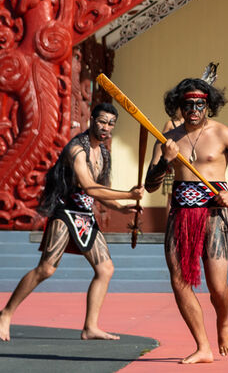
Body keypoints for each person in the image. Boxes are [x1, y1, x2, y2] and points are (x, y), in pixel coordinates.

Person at [144, 68, 228, 364]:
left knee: (217, 288)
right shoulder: (169, 139)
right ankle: (202, 346)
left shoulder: (223, 133)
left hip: (213, 215)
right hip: (180, 214)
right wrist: (164, 163)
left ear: (208, 105)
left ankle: (222, 322)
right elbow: (150, 183)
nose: (194, 110)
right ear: (179, 107)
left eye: (199, 105)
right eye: (187, 105)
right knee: (179, 281)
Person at [0, 103, 143, 342]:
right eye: (102, 121)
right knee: (46, 268)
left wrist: (122, 207)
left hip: (85, 215)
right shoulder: (77, 149)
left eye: (111, 123)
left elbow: (98, 193)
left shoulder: (104, 154)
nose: (106, 127)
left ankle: (90, 327)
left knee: (105, 269)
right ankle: (6, 313)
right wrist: (128, 194)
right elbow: (88, 186)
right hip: (65, 212)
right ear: (92, 121)